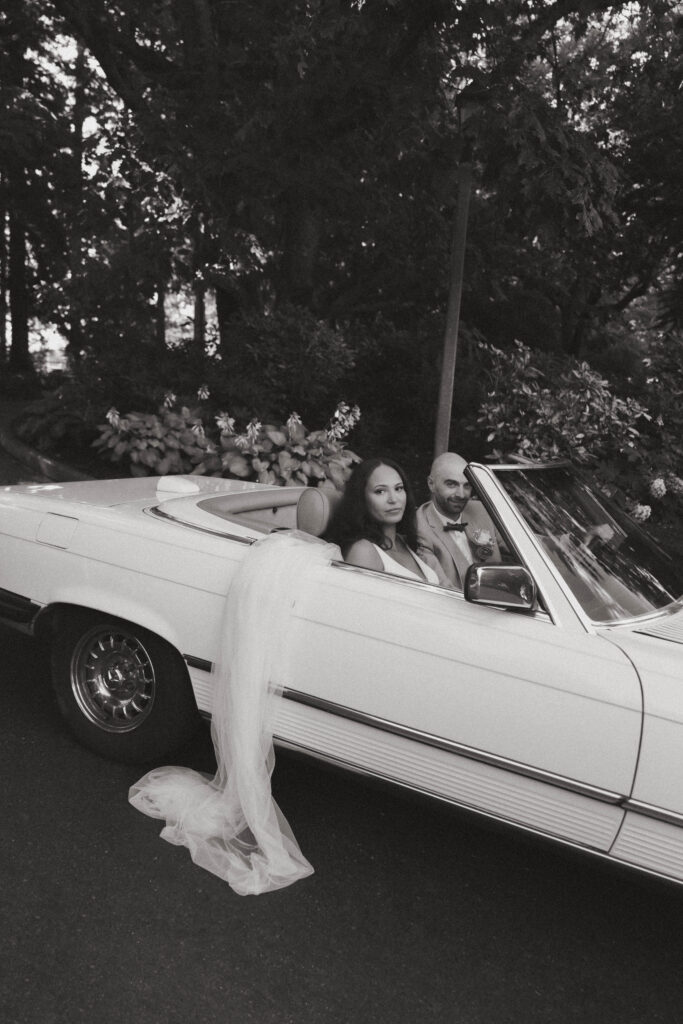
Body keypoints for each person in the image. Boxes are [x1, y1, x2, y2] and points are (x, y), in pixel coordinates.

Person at [325, 457, 450, 586]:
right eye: (380, 491)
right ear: (361, 498)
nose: (393, 499)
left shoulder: (404, 541)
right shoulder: (363, 551)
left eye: (398, 488)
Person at [416, 451, 500, 588]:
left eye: (467, 485)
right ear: (431, 484)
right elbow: (442, 588)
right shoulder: (420, 528)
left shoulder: (481, 510)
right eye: (451, 484)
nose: (461, 494)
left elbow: (522, 545)